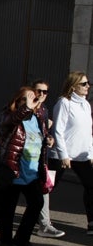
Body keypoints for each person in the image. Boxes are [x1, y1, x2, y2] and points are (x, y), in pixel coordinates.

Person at [0, 87, 50, 246]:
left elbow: (40, 138)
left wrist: (48, 139)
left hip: (31, 172)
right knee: (9, 208)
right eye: (25, 99)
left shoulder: (37, 117)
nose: (30, 102)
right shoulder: (9, 116)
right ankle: (5, 242)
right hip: (13, 170)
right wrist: (26, 106)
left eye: (32, 99)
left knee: (37, 203)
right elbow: (12, 120)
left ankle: (22, 239)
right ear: (17, 101)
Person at [48, 71, 93, 235]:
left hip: (81, 156)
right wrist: (63, 154)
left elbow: (88, 132)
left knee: (91, 186)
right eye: (83, 84)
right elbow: (58, 130)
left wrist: (91, 153)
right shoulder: (64, 103)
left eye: (88, 83)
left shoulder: (86, 105)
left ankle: (91, 223)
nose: (87, 86)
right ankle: (41, 220)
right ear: (73, 86)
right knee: (48, 188)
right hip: (62, 155)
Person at [32, 80, 65, 238]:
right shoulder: (24, 109)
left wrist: (49, 138)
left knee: (44, 190)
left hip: (41, 158)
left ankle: (44, 225)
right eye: (39, 91)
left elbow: (43, 133)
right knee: (14, 192)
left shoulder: (44, 110)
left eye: (45, 92)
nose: (42, 94)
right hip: (24, 160)